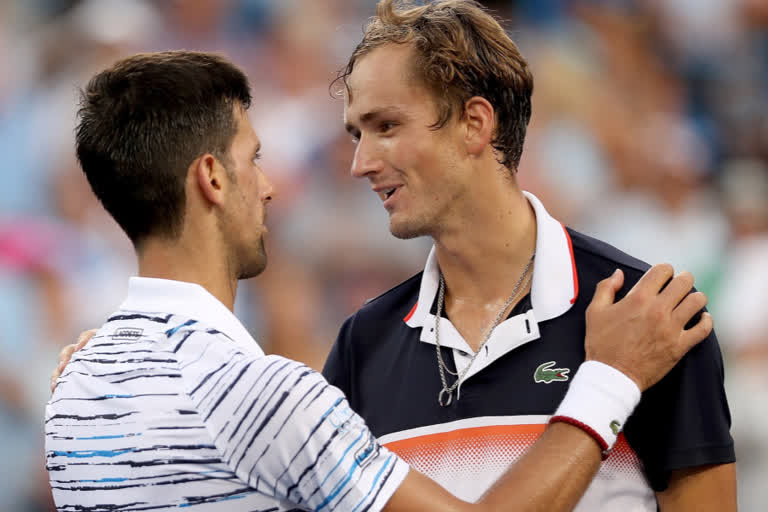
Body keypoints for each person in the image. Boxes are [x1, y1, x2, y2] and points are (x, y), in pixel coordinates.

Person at [45, 51, 711, 512]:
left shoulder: (73, 386)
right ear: (212, 179)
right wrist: (612, 379)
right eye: (255, 160)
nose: (271, 186)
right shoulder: (264, 395)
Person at [321, 1, 736, 511]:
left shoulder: (651, 312)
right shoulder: (361, 345)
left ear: (475, 122)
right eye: (356, 134)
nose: (360, 163)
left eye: (385, 126)